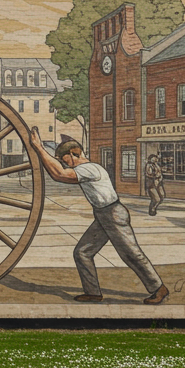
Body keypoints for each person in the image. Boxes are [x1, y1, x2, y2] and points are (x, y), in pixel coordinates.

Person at [28, 128, 168, 305]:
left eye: (64, 160)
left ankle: (159, 288)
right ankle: (93, 292)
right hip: (104, 215)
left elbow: (59, 175)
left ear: (73, 154)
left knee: (131, 254)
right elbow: (59, 172)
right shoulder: (88, 168)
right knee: (82, 253)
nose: (65, 164)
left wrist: (39, 148)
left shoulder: (90, 169)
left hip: (113, 214)